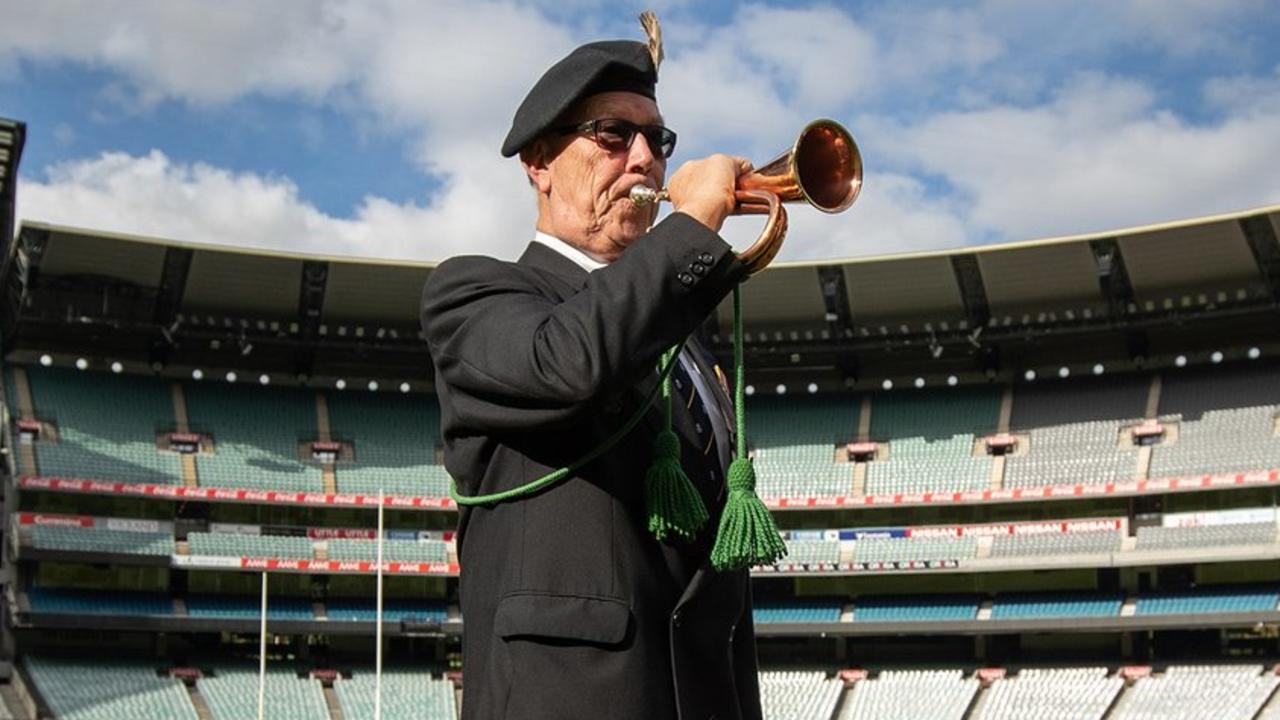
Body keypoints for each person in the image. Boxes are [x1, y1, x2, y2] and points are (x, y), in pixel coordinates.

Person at [420, 23, 763, 720]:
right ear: (540, 162)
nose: (644, 159)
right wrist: (694, 224)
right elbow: (568, 364)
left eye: (657, 141)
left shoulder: (685, 339)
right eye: (613, 134)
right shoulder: (473, 295)